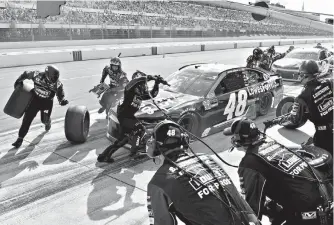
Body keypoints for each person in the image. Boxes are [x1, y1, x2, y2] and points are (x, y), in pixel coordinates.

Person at [146, 120, 262, 225]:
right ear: (185, 140)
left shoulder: (158, 183)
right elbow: (236, 196)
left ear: (154, 146)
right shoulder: (208, 159)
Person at [223, 118, 333, 225]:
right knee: (272, 206)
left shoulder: (250, 163)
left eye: (233, 135)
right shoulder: (273, 144)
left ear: (238, 139)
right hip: (326, 198)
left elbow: (252, 211)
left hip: (310, 215)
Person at [97, 71, 166, 163]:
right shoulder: (129, 88)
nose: (143, 87)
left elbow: (153, 94)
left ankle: (104, 156)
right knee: (140, 128)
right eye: (142, 84)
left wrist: (157, 83)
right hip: (124, 116)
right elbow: (136, 81)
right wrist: (150, 77)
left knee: (123, 139)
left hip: (129, 116)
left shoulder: (141, 94)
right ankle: (134, 152)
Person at [268, 60, 333, 155]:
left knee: (320, 165)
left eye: (299, 74)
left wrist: (275, 121)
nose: (298, 77)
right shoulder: (329, 82)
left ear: (304, 75)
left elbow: (295, 119)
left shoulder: (303, 97)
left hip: (325, 136)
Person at [12, 65, 69, 148]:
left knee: (44, 120)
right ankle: (20, 138)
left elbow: (60, 94)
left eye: (56, 77)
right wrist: (19, 80)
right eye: (53, 77)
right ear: (47, 74)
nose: (55, 79)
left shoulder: (58, 84)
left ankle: (48, 122)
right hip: (35, 100)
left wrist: (62, 100)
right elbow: (25, 74)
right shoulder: (36, 75)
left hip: (47, 103)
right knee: (27, 118)